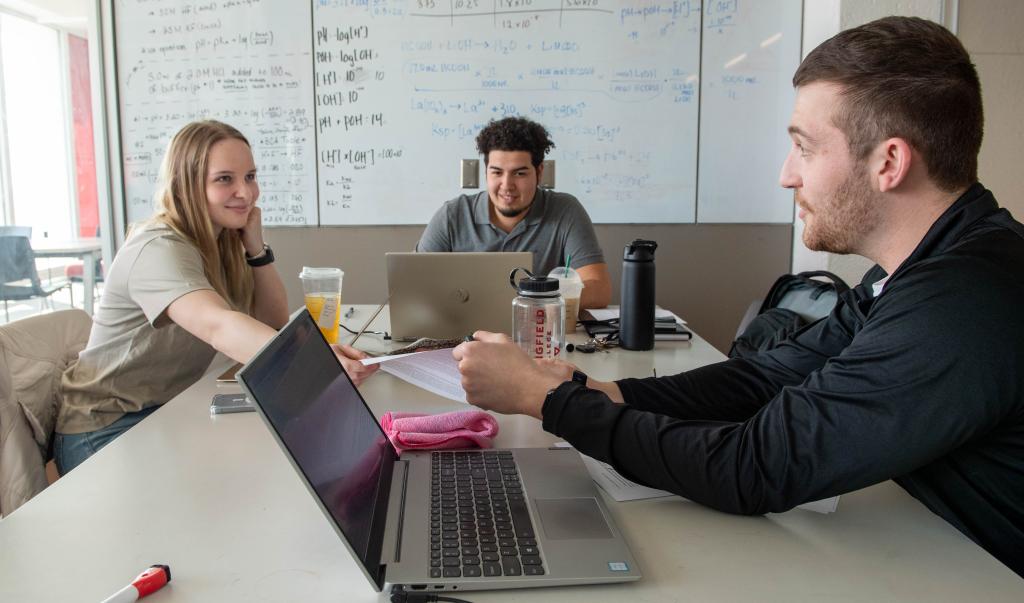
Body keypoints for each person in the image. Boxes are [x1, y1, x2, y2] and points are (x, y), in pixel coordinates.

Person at [452, 17, 1024, 576]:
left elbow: (754, 466)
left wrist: (545, 402)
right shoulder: (907, 274)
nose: (786, 174)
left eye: (805, 148)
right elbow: (762, 378)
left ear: (889, 163)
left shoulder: (964, 302)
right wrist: (605, 391)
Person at [55, 120, 377, 473]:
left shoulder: (221, 241)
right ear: (187, 185)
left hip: (162, 411)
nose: (245, 192)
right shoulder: (157, 248)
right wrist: (311, 361)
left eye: (250, 176)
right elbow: (217, 326)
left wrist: (256, 248)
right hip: (103, 427)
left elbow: (271, 322)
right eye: (225, 179)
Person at [417, 116, 612, 309]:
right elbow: (414, 285)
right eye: (497, 172)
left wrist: (532, 302)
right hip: (465, 334)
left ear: (539, 172)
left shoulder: (566, 211)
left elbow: (599, 290)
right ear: (486, 172)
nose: (507, 186)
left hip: (538, 332)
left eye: (520, 173)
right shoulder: (452, 215)